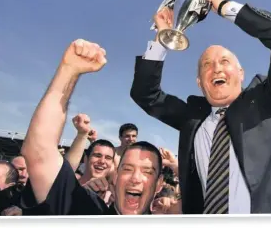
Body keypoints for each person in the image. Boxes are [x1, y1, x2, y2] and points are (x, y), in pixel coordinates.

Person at [131, 0, 271, 214]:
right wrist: (162, 39)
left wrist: (224, 7)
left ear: (241, 74)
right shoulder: (191, 117)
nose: (216, 69)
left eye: (225, 61)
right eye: (206, 65)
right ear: (200, 82)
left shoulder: (270, 99)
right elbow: (145, 94)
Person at [19, 39, 163, 215]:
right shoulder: (88, 210)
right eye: (127, 169)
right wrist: (68, 71)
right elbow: (38, 151)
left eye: (148, 171)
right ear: (115, 177)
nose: (135, 178)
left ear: (159, 184)